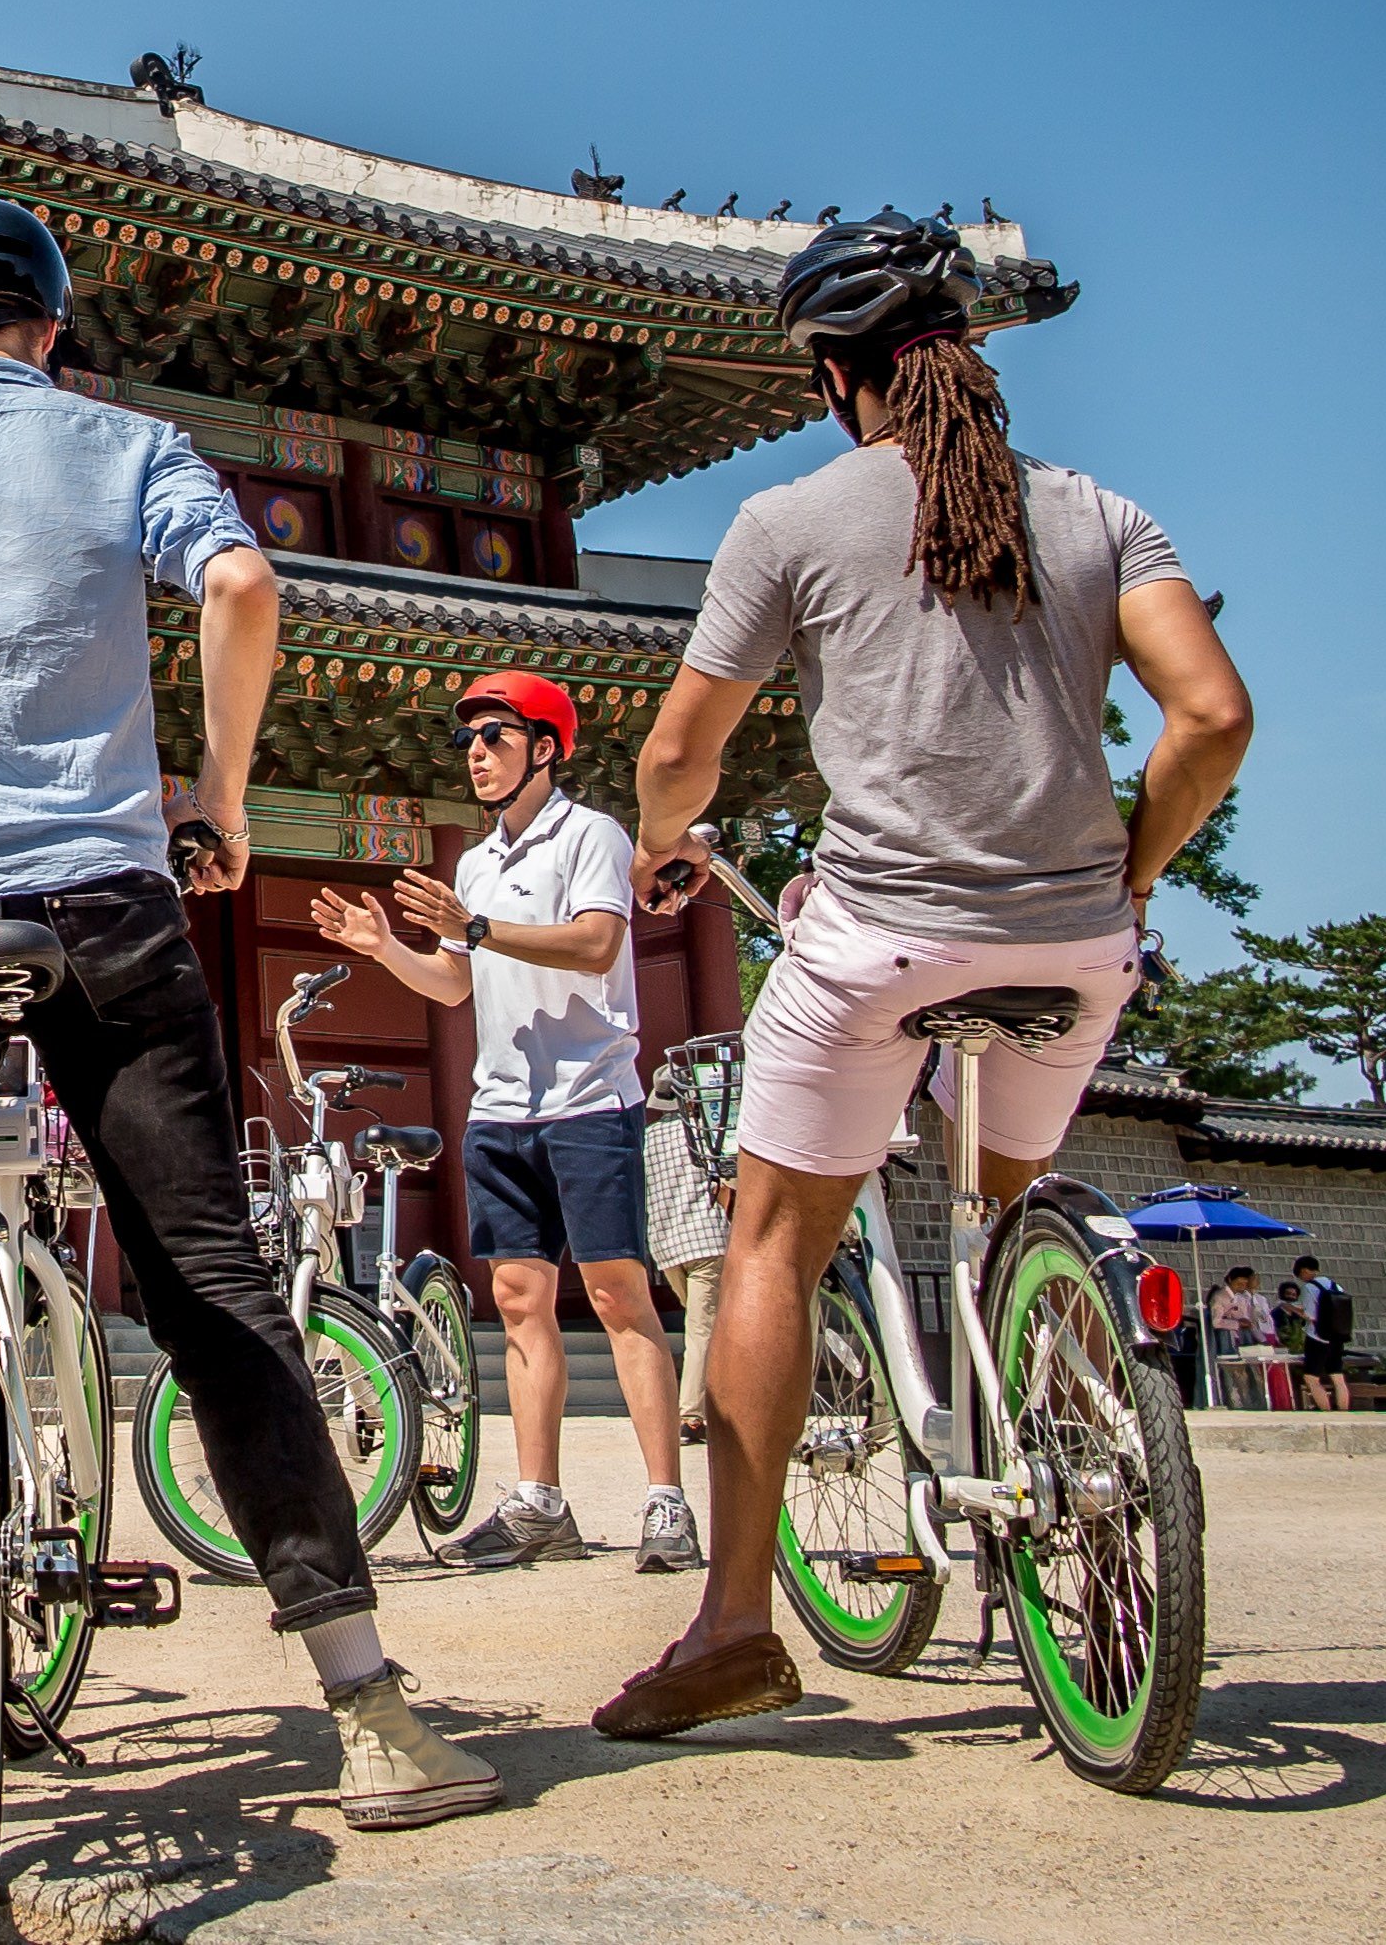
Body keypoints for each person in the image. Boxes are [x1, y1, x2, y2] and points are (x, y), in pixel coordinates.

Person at [0, 197, 498, 1872]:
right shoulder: (133, 443)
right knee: (205, 1271)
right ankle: (363, 1701)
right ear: (51, 324)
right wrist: (218, 787)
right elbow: (246, 584)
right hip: (103, 906)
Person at [604, 208, 1252, 1740]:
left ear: (835, 374)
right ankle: (1072, 1448)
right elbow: (1211, 716)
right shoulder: (1098, 512)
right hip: (1079, 941)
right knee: (1008, 1211)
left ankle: (732, 1628)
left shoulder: (788, 522)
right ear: (963, 352)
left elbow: (677, 752)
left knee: (769, 1244)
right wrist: (1131, 867)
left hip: (877, 937)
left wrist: (660, 846)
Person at [309, 671, 699, 1577]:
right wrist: (388, 950)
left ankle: (666, 1501)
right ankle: (538, 1503)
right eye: (470, 741)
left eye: (495, 736)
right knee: (521, 1305)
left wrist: (476, 929)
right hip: (500, 1109)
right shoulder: (475, 864)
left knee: (616, 1299)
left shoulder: (591, 834)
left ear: (546, 748)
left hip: (591, 1101)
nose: (476, 754)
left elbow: (599, 942)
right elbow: (455, 984)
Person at [640, 1055, 735, 1445]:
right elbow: (730, 1183)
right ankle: (691, 1416)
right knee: (703, 1331)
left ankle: (710, 1403)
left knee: (699, 1328)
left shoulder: (647, 1140)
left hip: (666, 1247)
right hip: (707, 1240)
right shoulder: (704, 1134)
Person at [1292, 1254, 1356, 1409]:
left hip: (1317, 1337)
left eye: (1300, 1275)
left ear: (1305, 1270)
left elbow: (1310, 1315)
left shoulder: (1309, 1288)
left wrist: (1293, 1309)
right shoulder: (1336, 1286)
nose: (1301, 1279)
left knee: (1311, 1378)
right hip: (1337, 1337)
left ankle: (1326, 1411)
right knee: (1337, 1377)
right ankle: (1343, 1412)